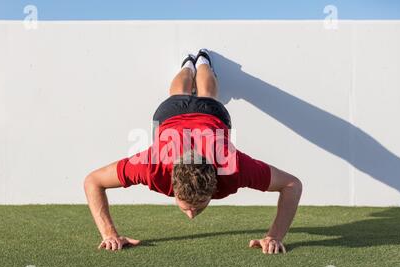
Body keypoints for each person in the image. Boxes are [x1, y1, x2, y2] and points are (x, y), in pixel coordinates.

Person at [84, 49, 302, 255]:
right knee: (182, 95)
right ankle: (189, 64)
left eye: (198, 206)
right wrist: (109, 234)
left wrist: (275, 236)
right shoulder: (152, 166)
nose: (191, 215)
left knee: (207, 95)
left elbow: (293, 185)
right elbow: (93, 181)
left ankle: (202, 60)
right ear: (171, 181)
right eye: (188, 206)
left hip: (210, 116)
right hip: (173, 115)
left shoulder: (232, 167)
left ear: (216, 183)